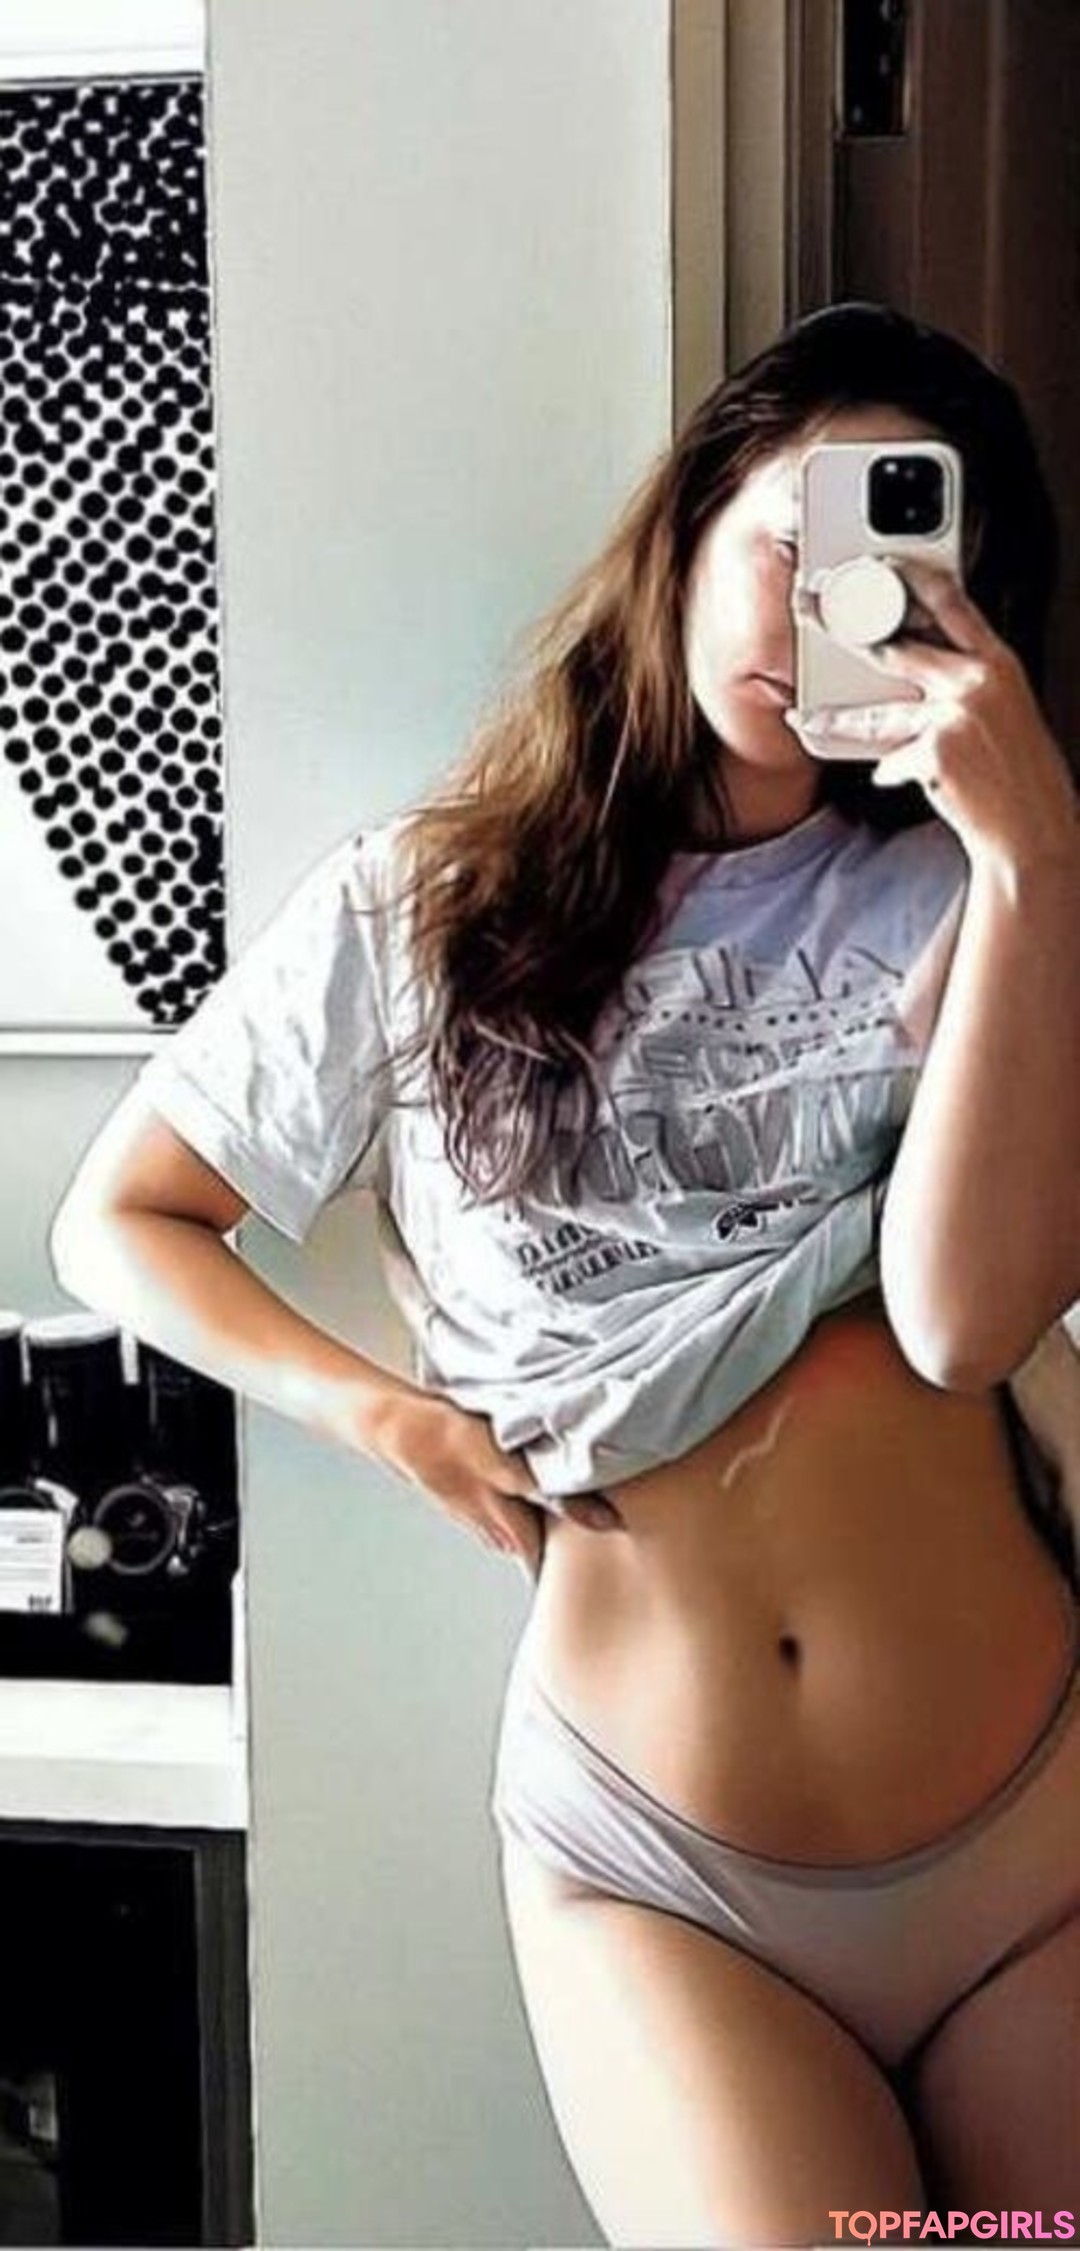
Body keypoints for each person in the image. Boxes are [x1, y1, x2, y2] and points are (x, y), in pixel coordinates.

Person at [51, 302, 1080, 2247]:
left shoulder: (972, 901)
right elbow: (122, 1218)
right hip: (666, 1876)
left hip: (1033, 1853)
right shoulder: (422, 902)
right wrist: (387, 1416)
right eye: (794, 540)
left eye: (896, 579)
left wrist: (1035, 860)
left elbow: (961, 1320)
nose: (823, 610)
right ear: (689, 520)